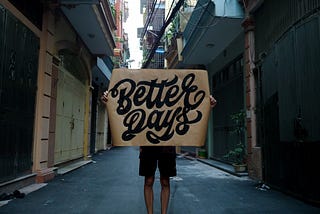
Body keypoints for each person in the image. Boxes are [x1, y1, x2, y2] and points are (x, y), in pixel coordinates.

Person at [101, 91, 217, 214]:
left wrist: (207, 105)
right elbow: (128, 109)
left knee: (165, 181)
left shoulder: (173, 97)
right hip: (147, 143)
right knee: (148, 180)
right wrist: (110, 102)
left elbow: (188, 110)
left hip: (167, 143)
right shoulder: (144, 98)